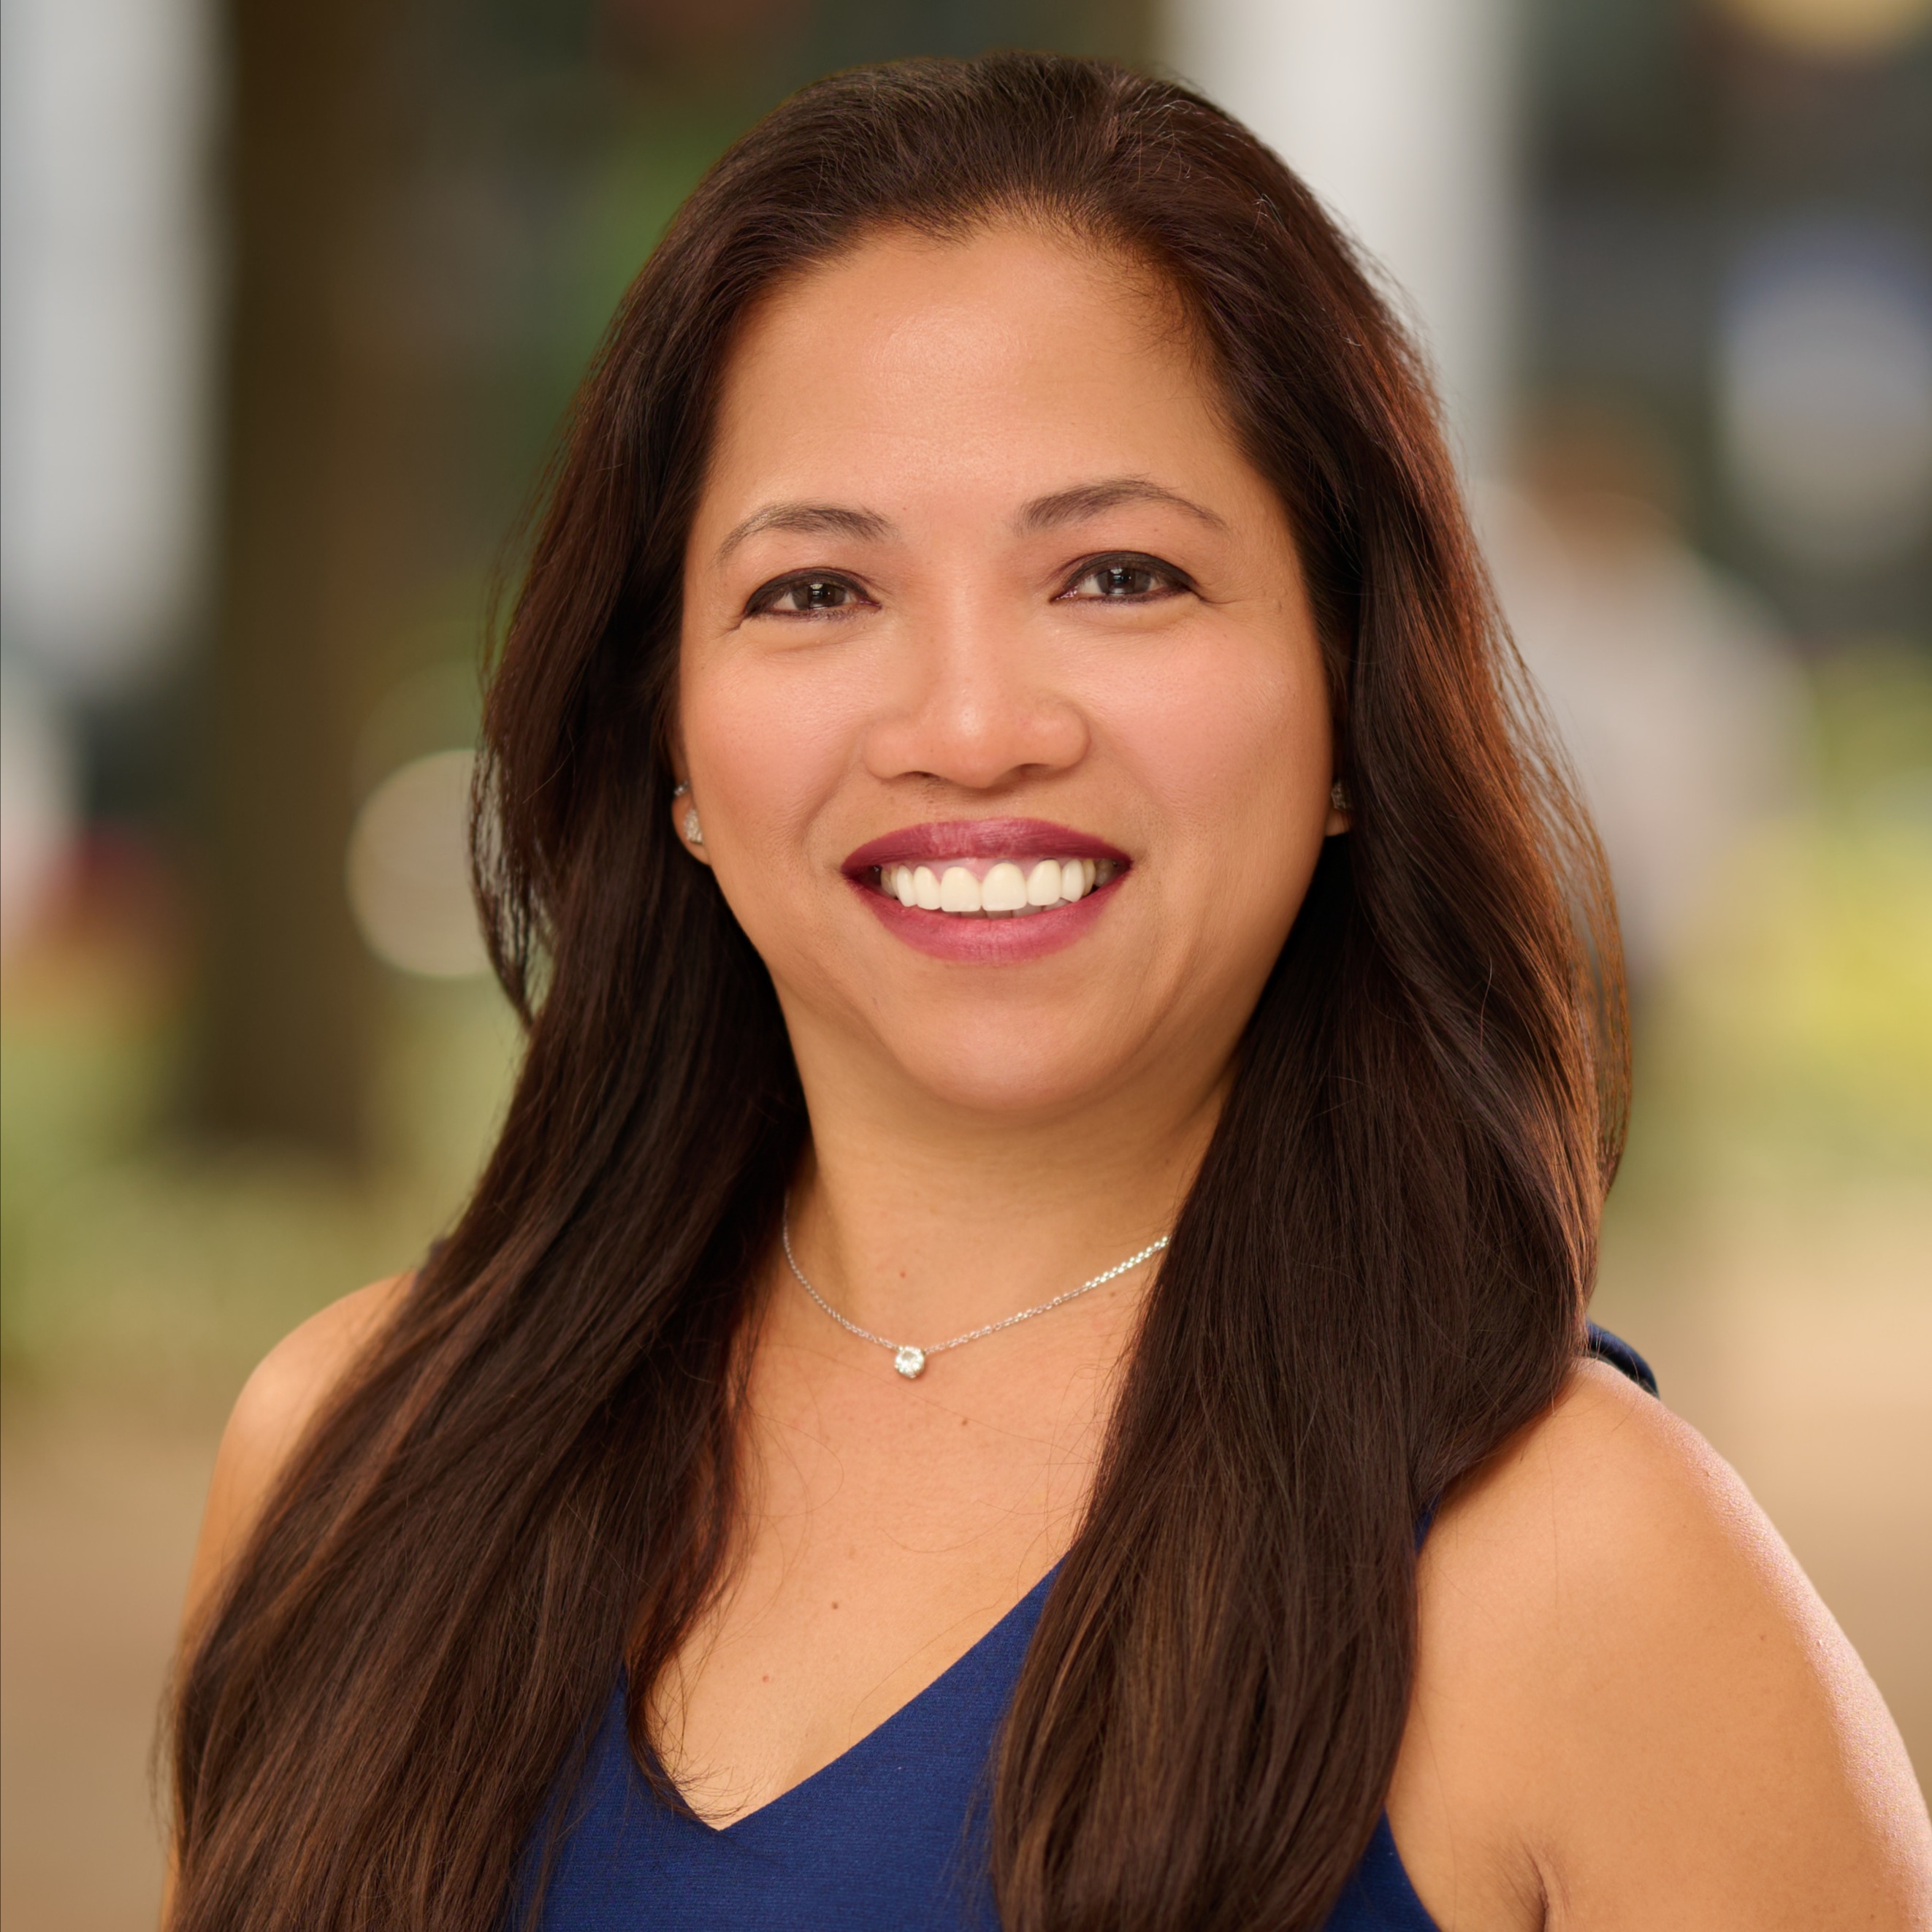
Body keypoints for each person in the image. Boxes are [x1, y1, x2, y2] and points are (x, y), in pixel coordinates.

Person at [164, 54, 1930, 1932]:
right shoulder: (343, 1462)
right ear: (667, 735)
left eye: (1117, 572)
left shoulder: (1584, 1581)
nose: (974, 729)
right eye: (816, 593)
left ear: (1350, 697)